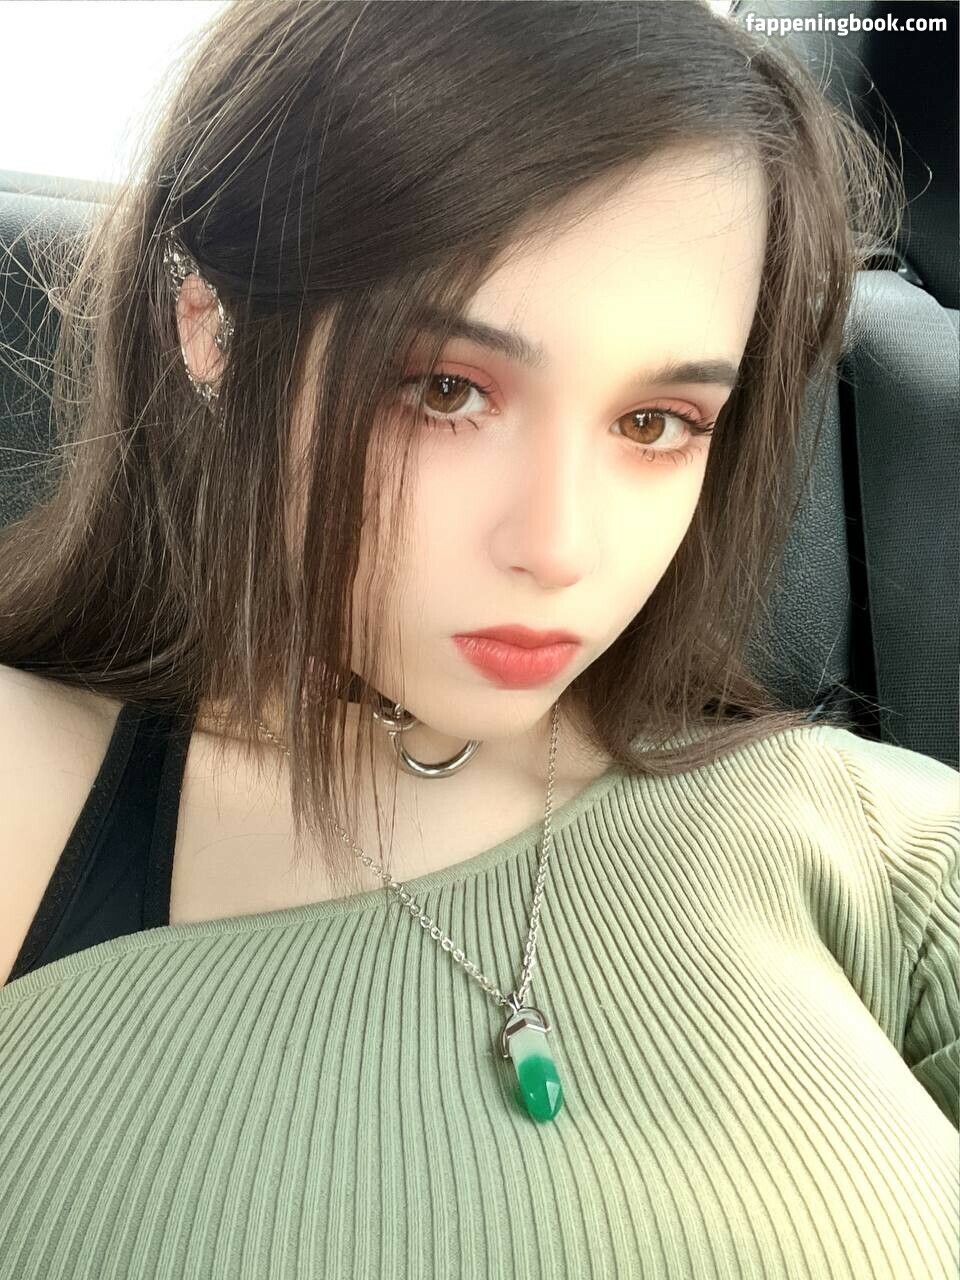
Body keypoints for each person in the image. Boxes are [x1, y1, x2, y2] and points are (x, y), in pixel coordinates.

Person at [0, 2, 955, 1277]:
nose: (559, 545)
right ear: (211, 329)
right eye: (447, 390)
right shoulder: (31, 798)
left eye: (657, 422)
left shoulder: (867, 835)